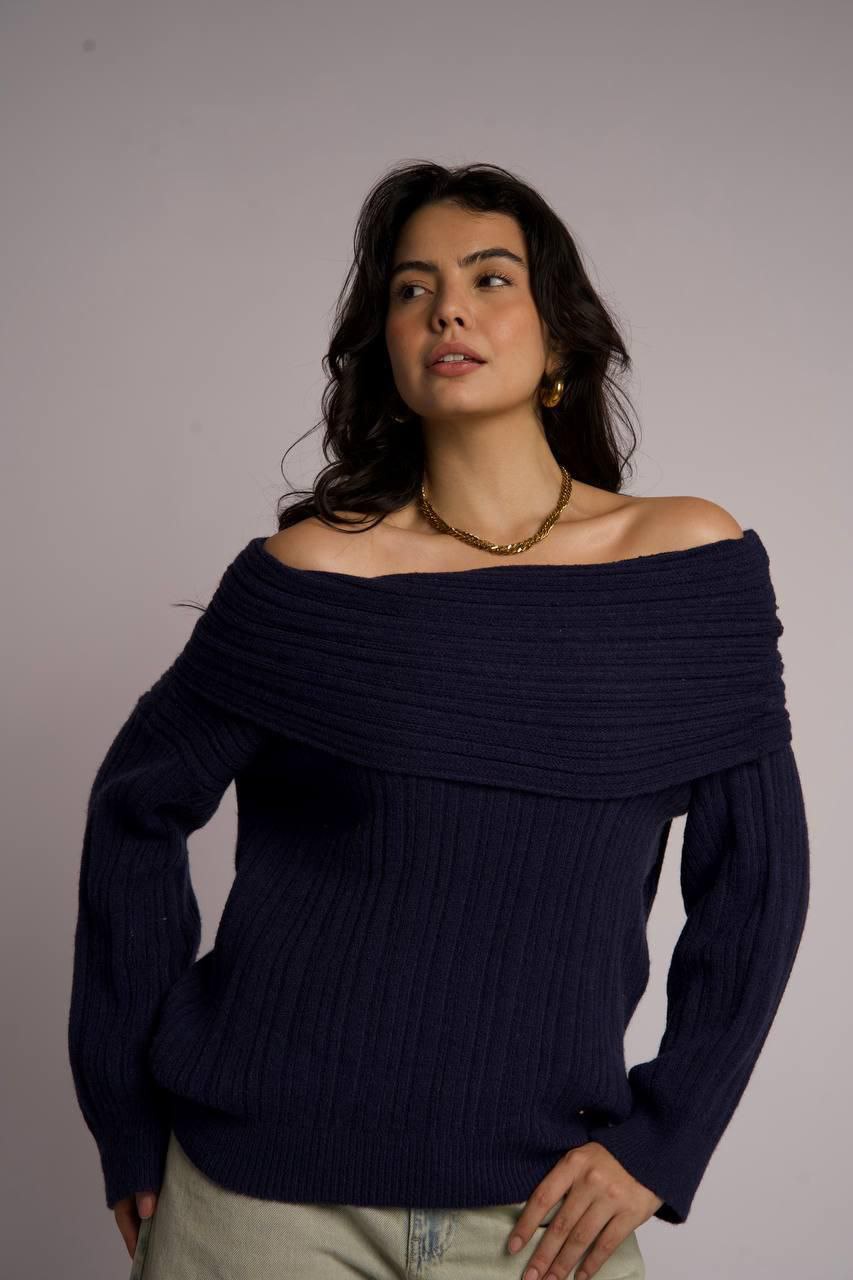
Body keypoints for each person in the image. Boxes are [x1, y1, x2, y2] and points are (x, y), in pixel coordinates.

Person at [68, 162, 810, 1280]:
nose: (446, 309)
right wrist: (125, 1111)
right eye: (412, 289)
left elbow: (756, 877)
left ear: (559, 340)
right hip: (259, 1202)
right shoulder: (310, 575)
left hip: (542, 1219)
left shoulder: (684, 565)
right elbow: (136, 808)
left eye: (488, 278)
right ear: (388, 347)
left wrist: (664, 1139)